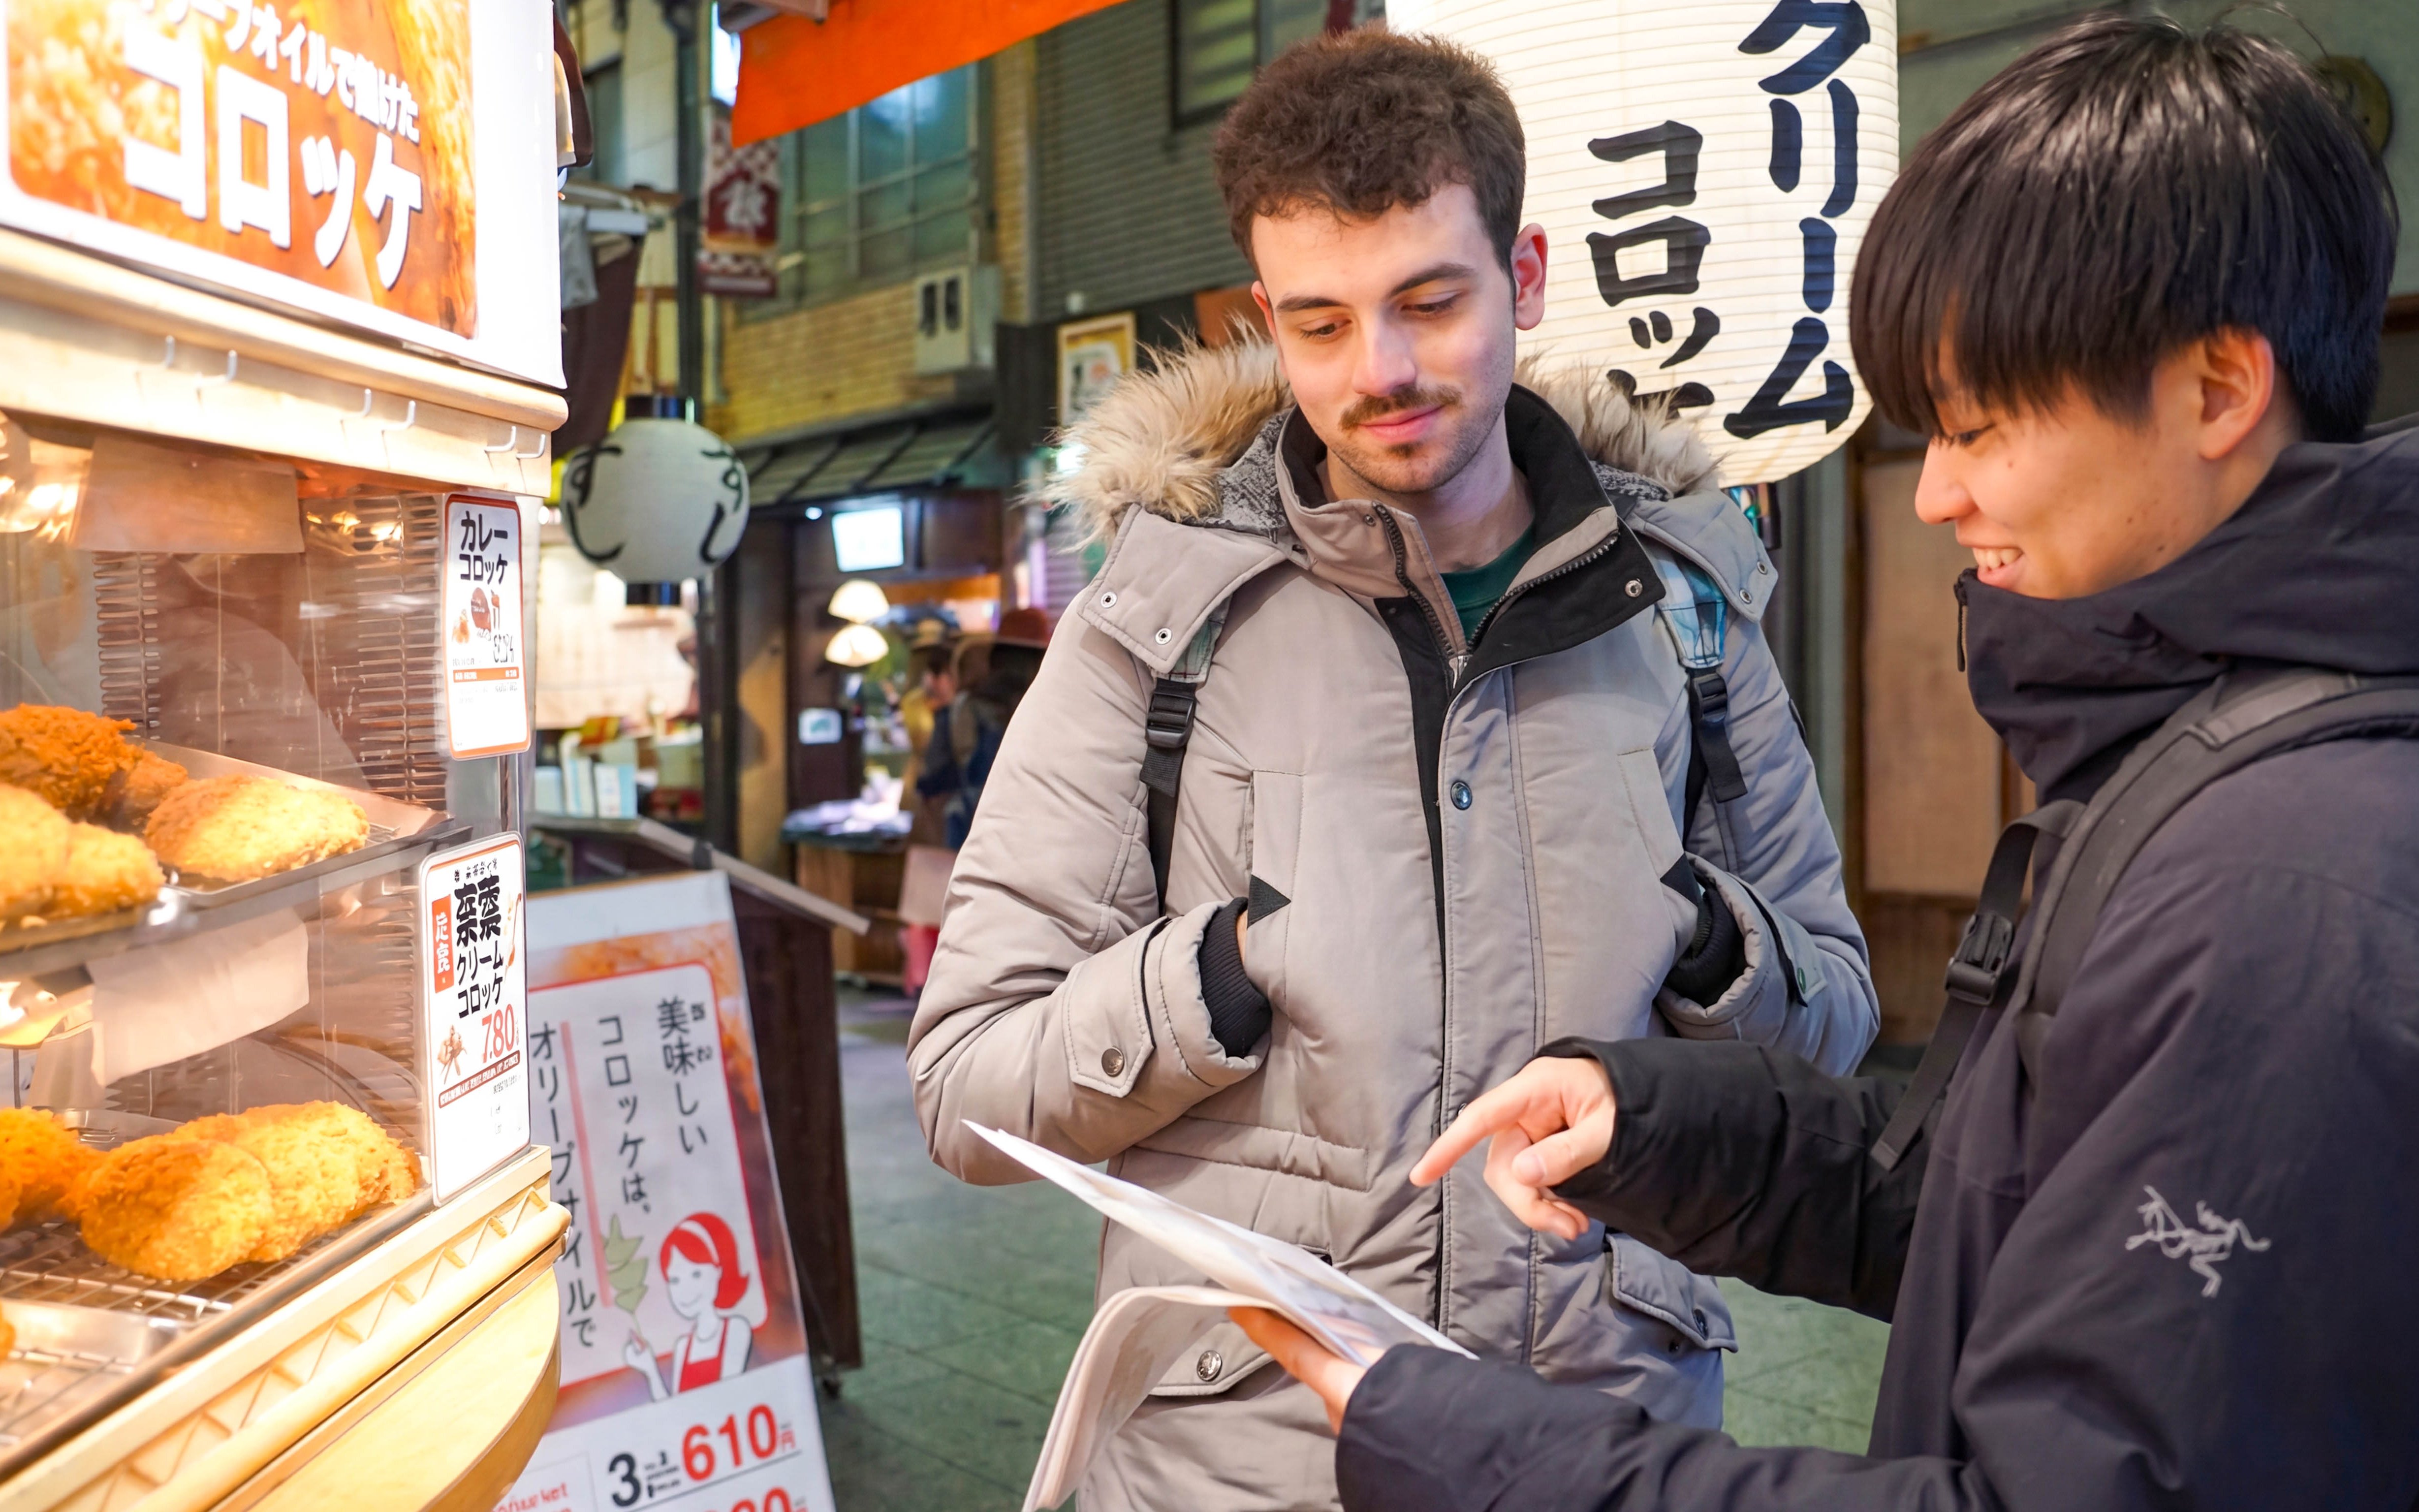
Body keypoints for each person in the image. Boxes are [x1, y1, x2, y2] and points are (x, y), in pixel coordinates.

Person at [1232, 17, 2419, 1510]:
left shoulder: (2286, 879)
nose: (1933, 492)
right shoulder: (2190, 760)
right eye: (1318, 321)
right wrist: (1660, 1124)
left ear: (2217, 389)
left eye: (1979, 426)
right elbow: (2024, 1201)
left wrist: (1480, 1452)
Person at [908, 29, 1876, 1510]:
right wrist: (1211, 979)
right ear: (1263, 317)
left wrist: (1710, 943)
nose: (1385, 372)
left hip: (1595, 1447)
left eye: (1432, 300)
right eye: (1320, 324)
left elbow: (1840, 1019)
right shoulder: (1157, 625)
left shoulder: (1683, 603)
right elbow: (966, 1087)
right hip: (1241, 1463)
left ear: (1527, 272)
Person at [622, 1213, 761, 1399]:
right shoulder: (683, 1346)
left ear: (718, 1271)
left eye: (696, 1274)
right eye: (675, 1280)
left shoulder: (736, 1329)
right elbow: (678, 1413)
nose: (685, 1290)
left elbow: (728, 1399)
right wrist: (650, 1369)